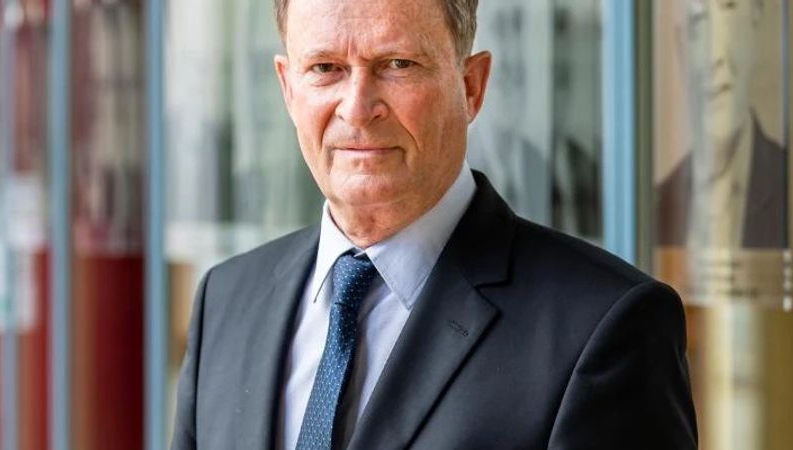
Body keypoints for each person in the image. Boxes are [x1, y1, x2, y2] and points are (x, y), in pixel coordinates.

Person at [172, 0, 698, 448]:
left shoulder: (605, 326)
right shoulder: (225, 300)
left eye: (397, 64)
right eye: (326, 68)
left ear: (471, 86)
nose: (357, 109)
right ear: (289, 89)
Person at [657, 0, 787, 249]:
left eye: (728, 14)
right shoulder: (659, 205)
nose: (713, 58)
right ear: (680, 46)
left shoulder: (784, 184)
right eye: (697, 22)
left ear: (755, 20)